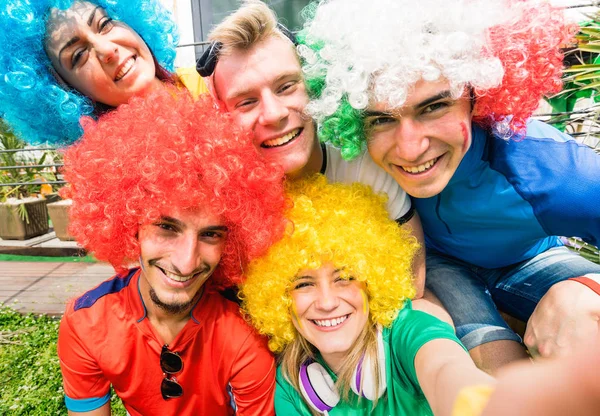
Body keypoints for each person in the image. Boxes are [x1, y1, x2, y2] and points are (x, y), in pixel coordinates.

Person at [296, 0, 600, 373]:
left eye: (433, 107)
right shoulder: (360, 167)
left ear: (477, 94)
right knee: (496, 365)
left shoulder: (554, 174)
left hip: (531, 259)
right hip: (434, 267)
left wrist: (585, 288)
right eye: (380, 119)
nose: (410, 148)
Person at [198, 0, 445, 317]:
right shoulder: (220, 189)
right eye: (246, 102)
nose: (273, 114)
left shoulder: (359, 156)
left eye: (287, 86)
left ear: (315, 85)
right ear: (223, 119)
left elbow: (414, 283)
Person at [57, 88, 286, 415]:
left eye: (209, 234)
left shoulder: (244, 331)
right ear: (131, 222)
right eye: (166, 228)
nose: (185, 261)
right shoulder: (87, 321)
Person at [240, 175, 494, 416]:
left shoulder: (408, 333)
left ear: (372, 282)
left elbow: (446, 370)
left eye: (345, 278)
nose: (327, 303)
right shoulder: (290, 389)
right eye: (304, 284)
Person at [0, 0, 206, 146]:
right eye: (79, 54)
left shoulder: (217, 83)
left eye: (105, 24)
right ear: (63, 88)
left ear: (132, 22)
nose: (107, 50)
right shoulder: (107, 178)